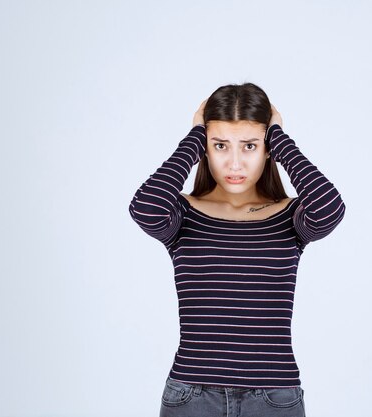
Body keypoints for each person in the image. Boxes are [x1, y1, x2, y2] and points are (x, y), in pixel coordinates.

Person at [128, 82, 346, 417]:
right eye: (219, 145)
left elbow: (329, 208)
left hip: (274, 397)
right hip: (192, 396)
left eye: (249, 146)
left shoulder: (291, 216)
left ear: (267, 147)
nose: (234, 163)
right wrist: (194, 137)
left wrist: (279, 138)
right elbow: (145, 208)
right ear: (205, 147)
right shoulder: (183, 213)